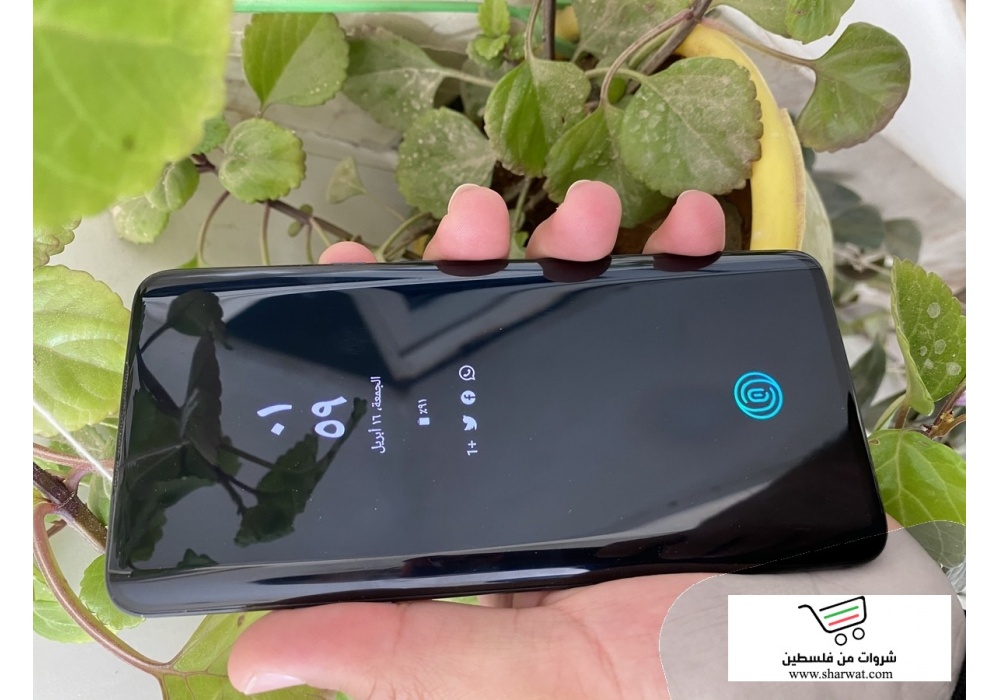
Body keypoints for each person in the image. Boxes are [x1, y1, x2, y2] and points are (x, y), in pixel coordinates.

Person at [227, 183, 964, 699]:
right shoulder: (915, 644)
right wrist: (916, 654)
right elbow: (893, 647)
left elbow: (889, 650)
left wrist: (916, 659)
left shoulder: (915, 646)